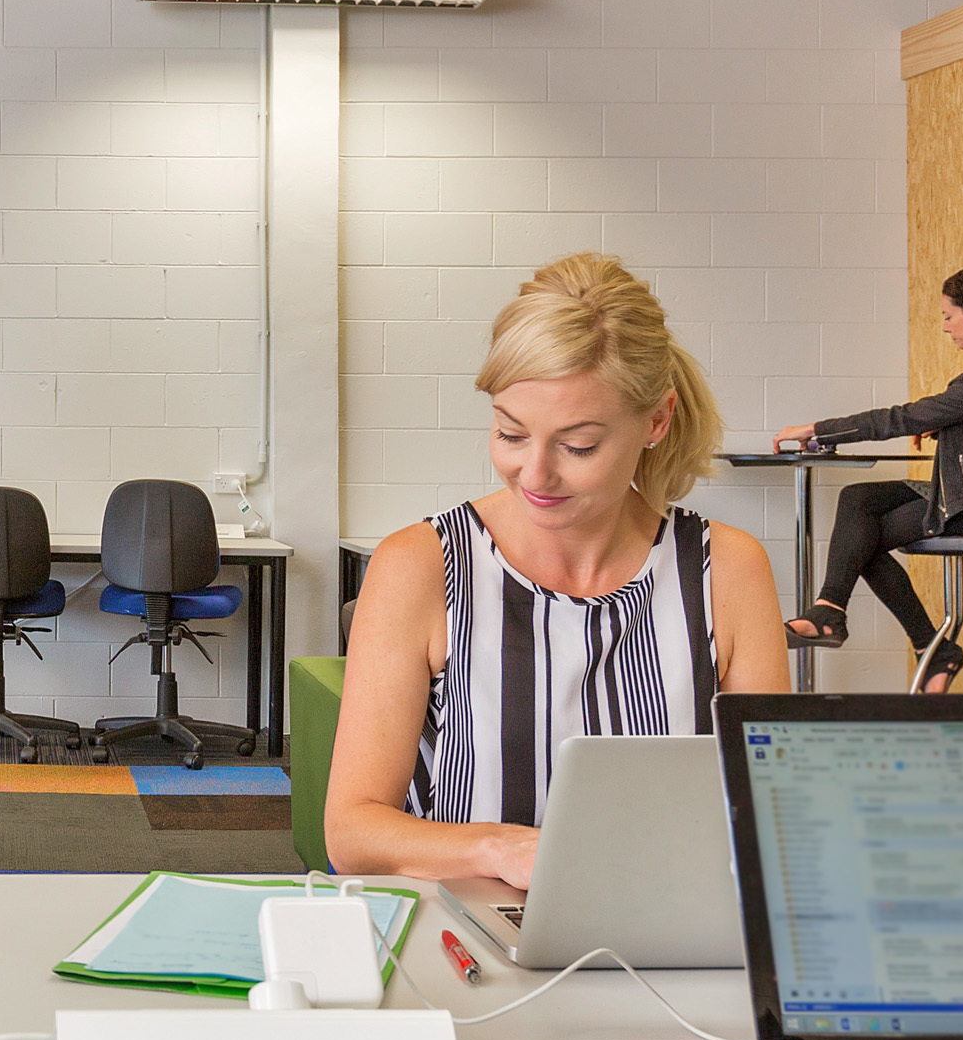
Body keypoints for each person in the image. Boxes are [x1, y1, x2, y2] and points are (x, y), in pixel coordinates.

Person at [327, 253, 790, 886]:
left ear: (656, 420)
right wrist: (500, 851)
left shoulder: (727, 569)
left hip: (665, 934)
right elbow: (352, 832)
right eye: (511, 435)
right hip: (469, 942)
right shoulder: (422, 565)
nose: (536, 475)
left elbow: (770, 813)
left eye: (578, 446)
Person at [775, 256, 963, 690]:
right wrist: (947, 427)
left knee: (864, 537)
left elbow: (901, 417)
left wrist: (817, 430)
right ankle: (838, 615)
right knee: (857, 501)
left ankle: (889, 633)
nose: (944, 326)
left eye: (949, 316)